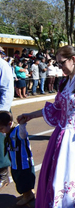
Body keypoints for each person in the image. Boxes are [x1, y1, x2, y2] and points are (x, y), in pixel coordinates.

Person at [17, 45, 75, 207]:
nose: (59, 67)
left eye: (61, 63)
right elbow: (56, 108)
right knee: (57, 179)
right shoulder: (64, 83)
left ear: (73, 60)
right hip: (61, 139)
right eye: (58, 64)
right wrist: (30, 116)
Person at [0, 111, 35, 206]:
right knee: (18, 179)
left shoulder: (18, 131)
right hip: (15, 163)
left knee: (24, 179)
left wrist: (22, 124)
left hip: (23, 163)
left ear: (9, 124)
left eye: (1, 128)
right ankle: (27, 194)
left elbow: (23, 134)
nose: (1, 131)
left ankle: (28, 195)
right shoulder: (8, 133)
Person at [0, 51, 14, 191]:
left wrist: (2, 113)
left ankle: (3, 174)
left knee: (1, 143)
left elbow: (7, 90)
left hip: (0, 110)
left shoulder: (3, 65)